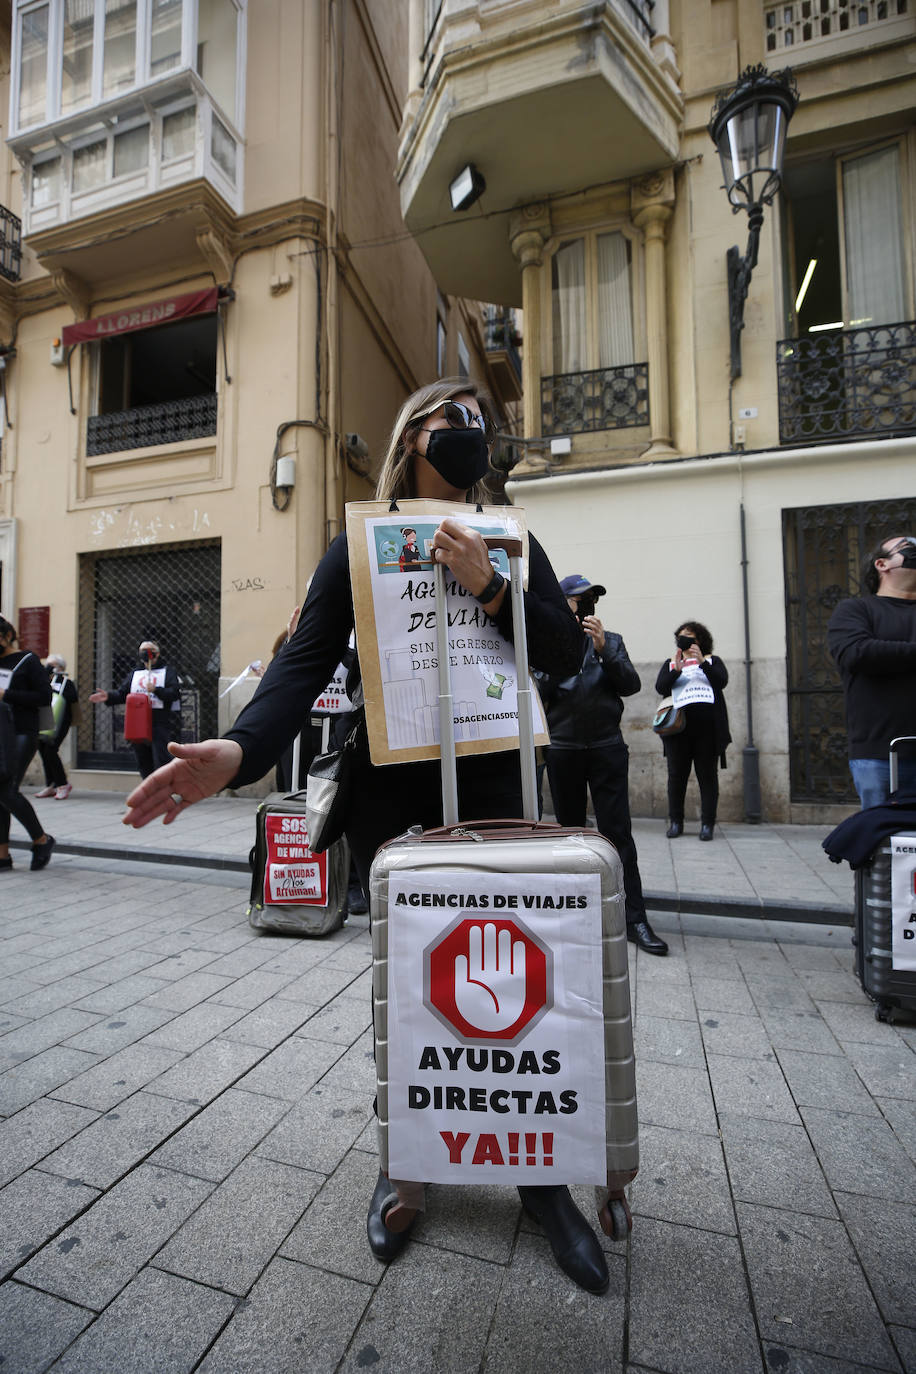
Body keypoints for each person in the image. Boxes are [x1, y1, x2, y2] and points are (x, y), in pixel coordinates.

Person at [123, 379, 611, 1296]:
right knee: (412, 983)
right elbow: (304, 660)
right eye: (451, 418)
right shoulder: (361, 541)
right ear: (412, 436)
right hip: (400, 791)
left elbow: (567, 657)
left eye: (479, 421)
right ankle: (408, 1161)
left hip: (500, 782)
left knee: (517, 978)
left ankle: (543, 1183)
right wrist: (238, 750)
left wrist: (493, 587)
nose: (469, 432)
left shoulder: (512, 535)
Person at [539, 574, 668, 956]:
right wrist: (564, 651)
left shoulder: (612, 642)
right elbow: (542, 693)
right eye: (581, 600)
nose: (589, 607)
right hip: (563, 750)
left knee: (618, 834)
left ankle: (635, 919)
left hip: (606, 748)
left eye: (593, 600)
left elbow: (630, 685)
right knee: (570, 836)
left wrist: (602, 649)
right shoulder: (551, 644)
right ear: (565, 604)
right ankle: (576, 919)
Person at [826, 533, 916, 808]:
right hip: (880, 755)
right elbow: (858, 653)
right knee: (886, 845)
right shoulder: (855, 610)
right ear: (882, 564)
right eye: (908, 546)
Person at [655, 621, 730, 841]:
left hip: (708, 732)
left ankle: (708, 824)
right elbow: (661, 687)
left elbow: (721, 681)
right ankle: (676, 822)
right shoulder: (671, 663)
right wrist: (677, 669)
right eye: (681, 637)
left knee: (707, 778)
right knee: (676, 778)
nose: (685, 641)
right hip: (677, 732)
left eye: (690, 637)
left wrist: (701, 662)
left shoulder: (712, 661)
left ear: (700, 640)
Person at [0, 615, 55, 872]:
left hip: (22, 733)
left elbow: (44, 696)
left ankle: (41, 840)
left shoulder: (28, 660)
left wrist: (6, 694)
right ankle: (3, 855)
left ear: (5, 636)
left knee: (7, 790)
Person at [89, 640, 181, 779]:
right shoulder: (136, 673)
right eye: (142, 650)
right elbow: (122, 693)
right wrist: (108, 696)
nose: (146, 653)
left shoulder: (168, 672)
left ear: (157, 653)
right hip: (138, 722)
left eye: (149, 649)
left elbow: (174, 694)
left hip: (159, 722)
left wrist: (156, 690)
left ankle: (164, 789)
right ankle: (148, 789)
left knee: (161, 759)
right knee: (143, 760)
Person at [36, 654, 79, 800]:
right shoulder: (42, 682)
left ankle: (63, 784)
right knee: (41, 748)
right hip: (44, 717)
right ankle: (51, 784)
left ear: (61, 668)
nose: (50, 668)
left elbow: (72, 698)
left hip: (60, 721)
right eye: (48, 665)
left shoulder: (65, 682)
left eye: (54, 665)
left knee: (50, 750)